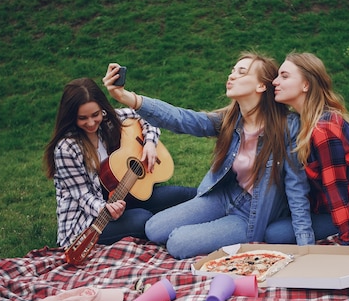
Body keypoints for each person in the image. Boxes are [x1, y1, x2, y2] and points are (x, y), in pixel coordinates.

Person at [102, 52, 314, 259]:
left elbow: (297, 187)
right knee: (154, 228)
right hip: (224, 196)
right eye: (233, 71)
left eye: (242, 72)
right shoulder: (231, 120)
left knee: (177, 243)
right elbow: (182, 119)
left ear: (261, 86)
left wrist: (306, 246)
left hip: (251, 214)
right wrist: (127, 97)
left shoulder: (287, 127)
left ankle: (227, 231)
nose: (232, 76)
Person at [43, 78, 196, 248]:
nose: (91, 123)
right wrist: (105, 208)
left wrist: (150, 143)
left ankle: (222, 205)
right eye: (82, 118)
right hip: (88, 221)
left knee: (183, 195)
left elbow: (145, 116)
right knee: (143, 219)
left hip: (125, 195)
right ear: (71, 117)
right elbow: (82, 196)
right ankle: (185, 236)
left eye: (95, 114)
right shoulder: (66, 149)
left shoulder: (108, 120)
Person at [266, 52, 349, 246]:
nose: (275, 82)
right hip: (325, 206)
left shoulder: (323, 130)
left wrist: (348, 241)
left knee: (274, 234)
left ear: (306, 85)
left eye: (284, 76)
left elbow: (336, 191)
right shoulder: (304, 121)